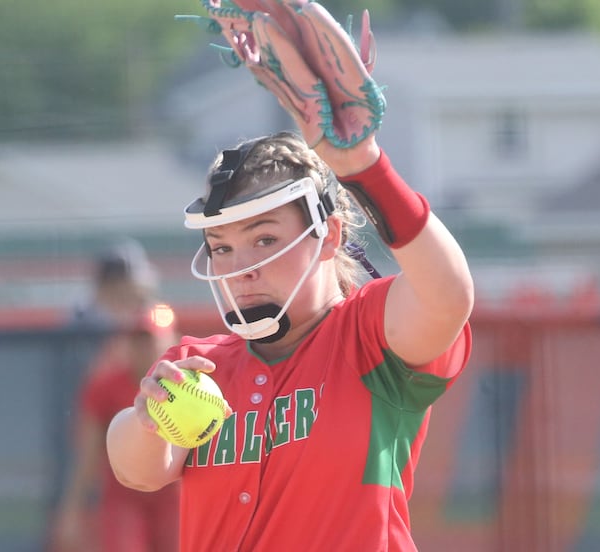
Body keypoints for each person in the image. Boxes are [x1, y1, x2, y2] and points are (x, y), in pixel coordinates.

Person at [107, 3, 474, 551]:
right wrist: (146, 417)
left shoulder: (368, 336)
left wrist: (364, 166)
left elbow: (447, 296)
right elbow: (136, 469)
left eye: (264, 239)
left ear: (327, 235)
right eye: (221, 247)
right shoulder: (200, 364)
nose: (239, 267)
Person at [50, 242, 181, 552]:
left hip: (174, 495)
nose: (145, 346)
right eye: (137, 338)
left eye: (150, 338)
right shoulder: (106, 378)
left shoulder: (183, 380)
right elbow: (88, 451)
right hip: (124, 496)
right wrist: (71, 509)